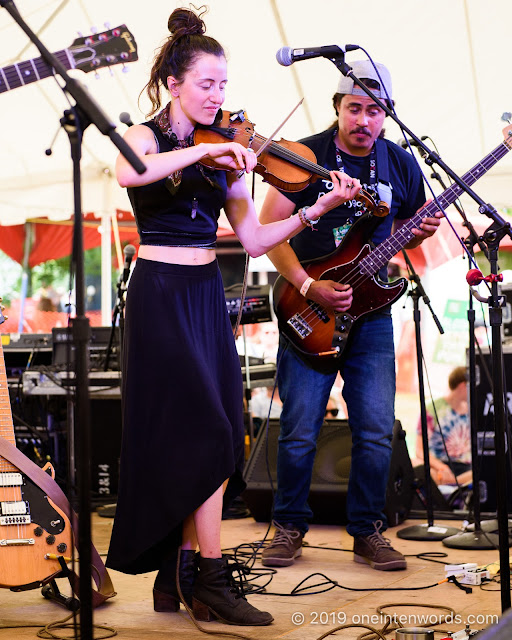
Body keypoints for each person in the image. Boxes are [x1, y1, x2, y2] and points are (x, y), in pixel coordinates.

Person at [105, 6, 360, 626]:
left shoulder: (227, 153)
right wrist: (200, 159)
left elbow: (251, 239)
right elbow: (127, 170)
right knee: (200, 433)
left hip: (203, 295)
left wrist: (315, 208)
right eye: (207, 84)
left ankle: (182, 574)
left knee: (223, 430)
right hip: (160, 291)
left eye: (224, 85)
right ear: (174, 84)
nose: (219, 97)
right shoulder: (149, 138)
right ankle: (210, 580)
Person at [259, 59, 442, 571]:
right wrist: (309, 284)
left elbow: (405, 223)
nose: (364, 120)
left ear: (387, 115)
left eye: (374, 111)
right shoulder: (304, 156)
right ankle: (289, 525)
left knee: (377, 429)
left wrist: (416, 232)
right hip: (308, 306)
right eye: (354, 108)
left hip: (372, 315)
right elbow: (266, 230)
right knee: (299, 428)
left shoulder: (400, 163)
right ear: (337, 107)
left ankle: (367, 531)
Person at [415, 365, 471, 486]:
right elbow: (419, 450)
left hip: (467, 468)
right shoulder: (432, 409)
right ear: (463, 385)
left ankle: (450, 482)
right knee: (418, 467)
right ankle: (453, 483)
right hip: (438, 465)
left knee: (483, 471)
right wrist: (441, 467)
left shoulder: (473, 410)